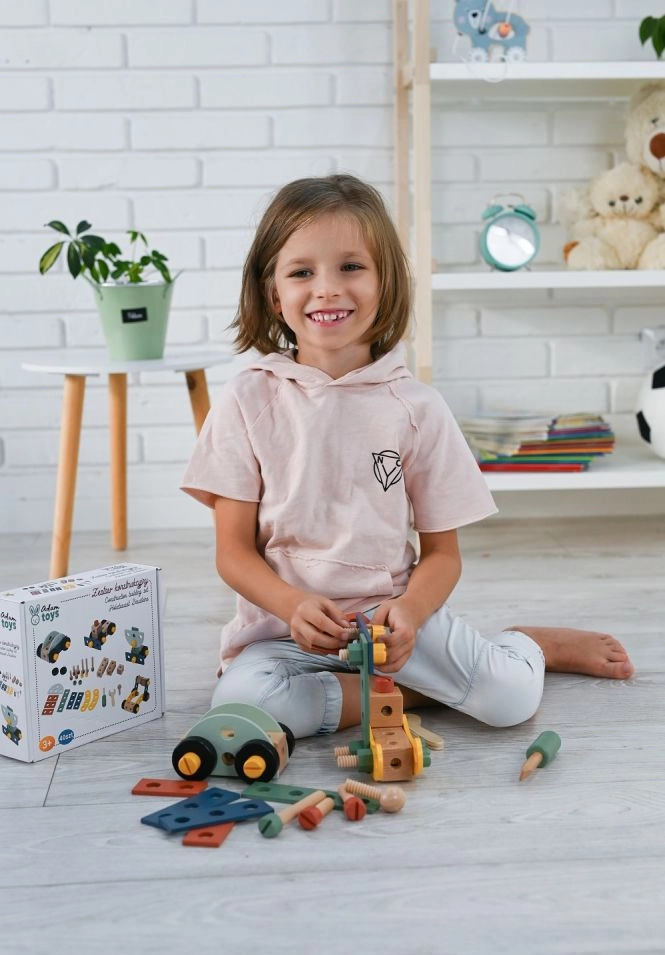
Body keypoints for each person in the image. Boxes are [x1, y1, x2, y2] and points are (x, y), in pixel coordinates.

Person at [181, 174, 634, 739]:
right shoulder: (247, 399)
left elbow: (443, 555)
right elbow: (232, 554)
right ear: (274, 294)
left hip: (393, 625)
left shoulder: (417, 408)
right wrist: (292, 605)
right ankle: (414, 693)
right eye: (302, 272)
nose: (327, 289)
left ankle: (527, 645)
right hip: (283, 633)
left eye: (351, 267)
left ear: (385, 282)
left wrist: (413, 612)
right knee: (243, 705)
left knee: (511, 698)